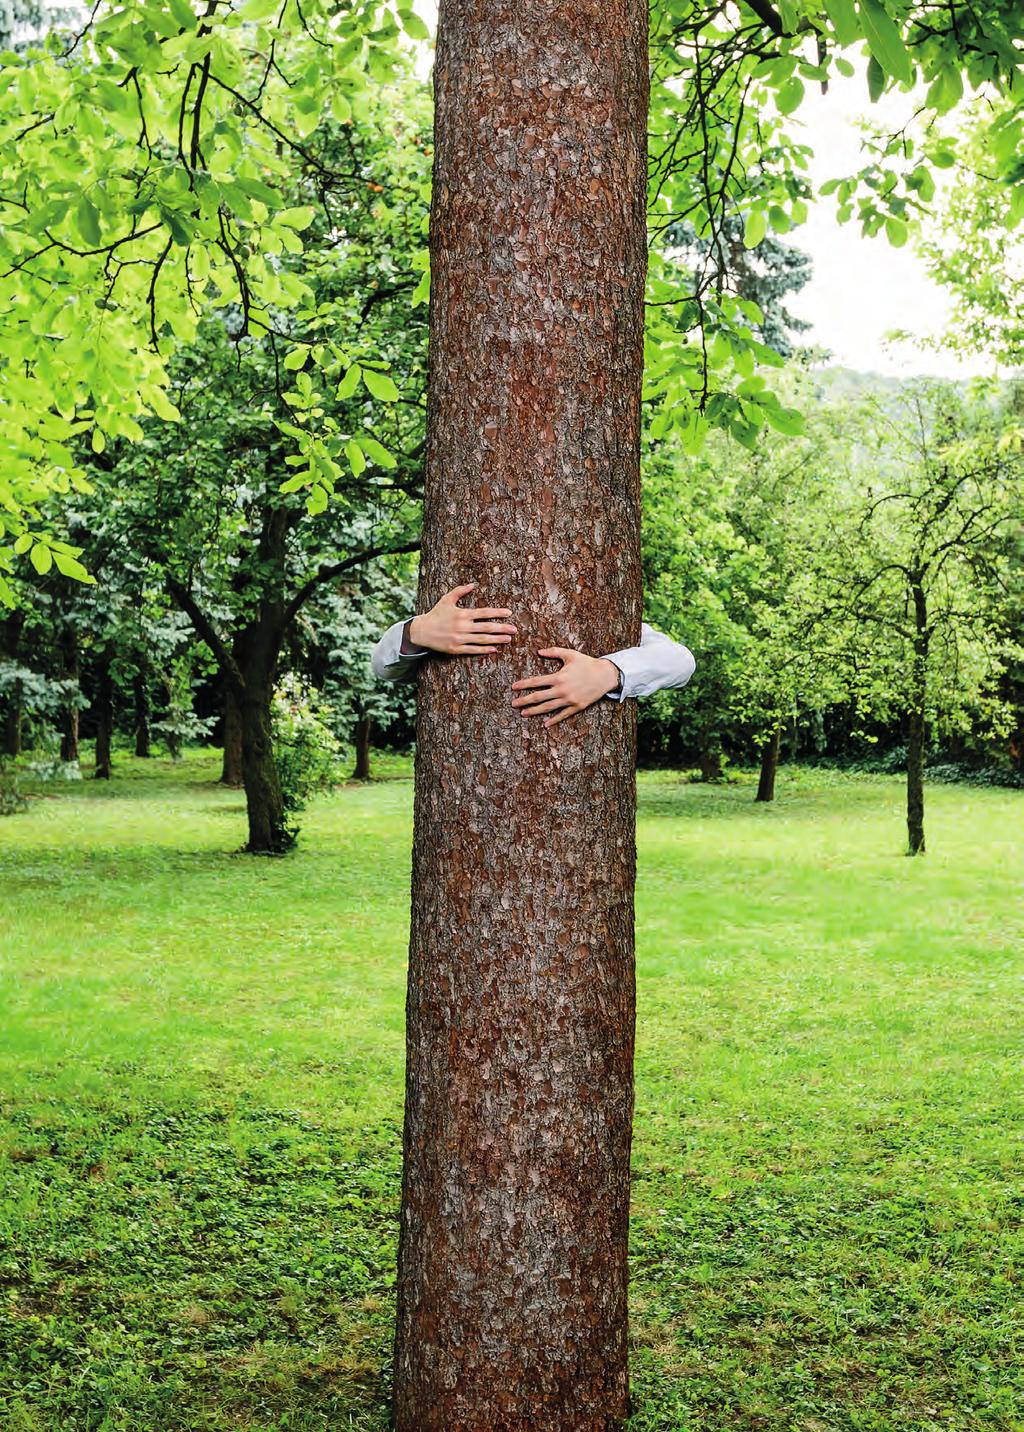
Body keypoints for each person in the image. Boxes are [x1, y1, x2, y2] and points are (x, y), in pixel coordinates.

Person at [371, 582, 695, 729]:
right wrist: (415, 632)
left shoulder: (605, 618)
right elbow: (383, 667)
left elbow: (681, 661)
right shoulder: (454, 614)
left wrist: (609, 671)